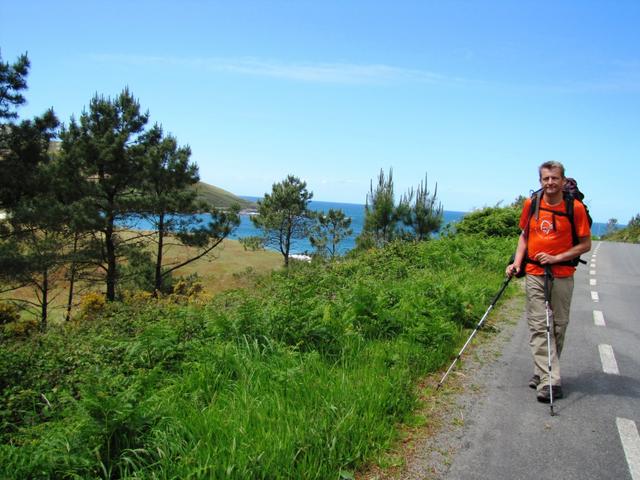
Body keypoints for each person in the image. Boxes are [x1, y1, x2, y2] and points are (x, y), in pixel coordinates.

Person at [506, 161, 591, 403]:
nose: (550, 183)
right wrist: (517, 263)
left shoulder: (574, 208)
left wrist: (556, 257)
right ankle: (550, 380)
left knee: (558, 326)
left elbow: (585, 244)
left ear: (563, 181)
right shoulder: (531, 204)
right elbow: (525, 236)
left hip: (563, 273)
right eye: (546, 179)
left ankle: (543, 372)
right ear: (540, 181)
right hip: (534, 271)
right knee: (538, 324)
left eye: (554, 178)